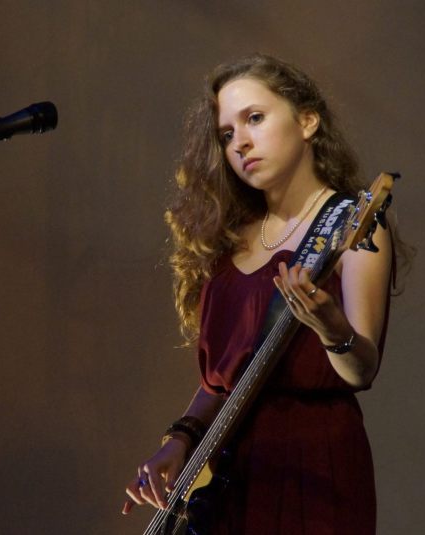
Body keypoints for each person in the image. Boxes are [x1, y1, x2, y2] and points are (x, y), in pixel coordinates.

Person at [122, 54, 403, 534]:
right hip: (232, 471)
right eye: (226, 134)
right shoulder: (228, 241)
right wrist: (180, 438)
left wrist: (331, 328)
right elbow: (224, 381)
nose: (240, 143)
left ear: (308, 121)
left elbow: (361, 369)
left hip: (313, 468)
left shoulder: (351, 223)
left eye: (254, 118)